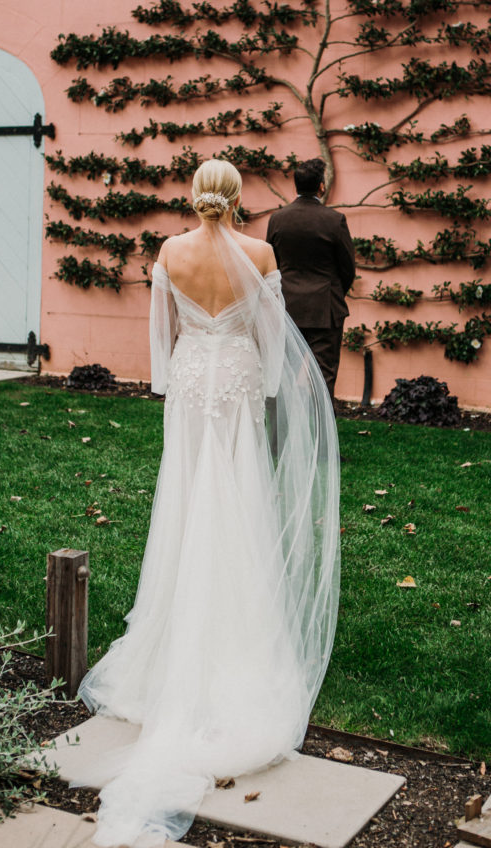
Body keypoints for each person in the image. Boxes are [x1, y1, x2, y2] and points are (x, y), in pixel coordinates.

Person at [75, 159, 341, 848]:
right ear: (237, 197)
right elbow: (271, 334)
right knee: (239, 489)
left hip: (193, 378)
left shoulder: (169, 251)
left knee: (189, 491)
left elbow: (160, 330)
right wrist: (262, 384)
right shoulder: (259, 252)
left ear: (194, 195)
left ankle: (175, 630)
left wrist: (170, 378)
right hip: (240, 378)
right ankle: (233, 621)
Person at [266, 158, 356, 403]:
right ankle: (321, 439)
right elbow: (347, 268)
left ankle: (282, 437)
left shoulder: (277, 219)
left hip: (288, 310)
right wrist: (332, 293)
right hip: (325, 311)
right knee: (324, 379)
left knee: (285, 377)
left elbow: (271, 265)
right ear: (321, 186)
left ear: (296, 186)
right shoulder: (334, 220)